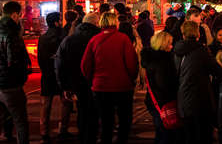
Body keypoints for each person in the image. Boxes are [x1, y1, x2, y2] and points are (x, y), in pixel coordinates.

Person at [81, 13, 138, 144]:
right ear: (115, 23)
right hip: (122, 86)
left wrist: (92, 79)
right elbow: (131, 64)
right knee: (124, 119)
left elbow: (85, 65)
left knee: (106, 120)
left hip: (100, 86)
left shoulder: (95, 40)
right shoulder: (123, 39)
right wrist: (132, 78)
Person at [173, 21, 222, 144]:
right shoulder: (201, 51)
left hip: (183, 100)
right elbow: (218, 71)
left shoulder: (177, 51)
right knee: (203, 136)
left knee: (189, 135)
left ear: (183, 34)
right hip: (200, 100)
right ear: (197, 33)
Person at [55, 13, 101, 144]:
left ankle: (83, 137)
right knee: (94, 112)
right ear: (96, 24)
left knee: (82, 111)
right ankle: (91, 137)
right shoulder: (99, 38)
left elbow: (59, 64)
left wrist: (64, 86)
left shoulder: (69, 39)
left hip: (76, 82)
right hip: (96, 81)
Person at [37, 12, 73, 143]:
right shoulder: (64, 36)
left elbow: (40, 58)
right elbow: (67, 57)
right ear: (57, 22)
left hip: (47, 74)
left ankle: (44, 131)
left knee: (46, 104)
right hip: (62, 74)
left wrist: (46, 70)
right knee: (66, 102)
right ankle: (63, 129)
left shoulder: (43, 38)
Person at [141, 31, 180, 144]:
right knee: (166, 134)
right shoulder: (163, 61)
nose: (172, 46)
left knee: (160, 131)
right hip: (163, 101)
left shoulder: (151, 59)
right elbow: (164, 84)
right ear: (163, 44)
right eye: (169, 44)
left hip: (154, 101)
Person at [0, 1, 31, 144]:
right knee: (20, 121)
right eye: (19, 15)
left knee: (4, 116)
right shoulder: (11, 33)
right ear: (14, 15)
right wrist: (22, 76)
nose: (20, 18)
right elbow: (14, 61)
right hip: (10, 83)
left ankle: (6, 135)